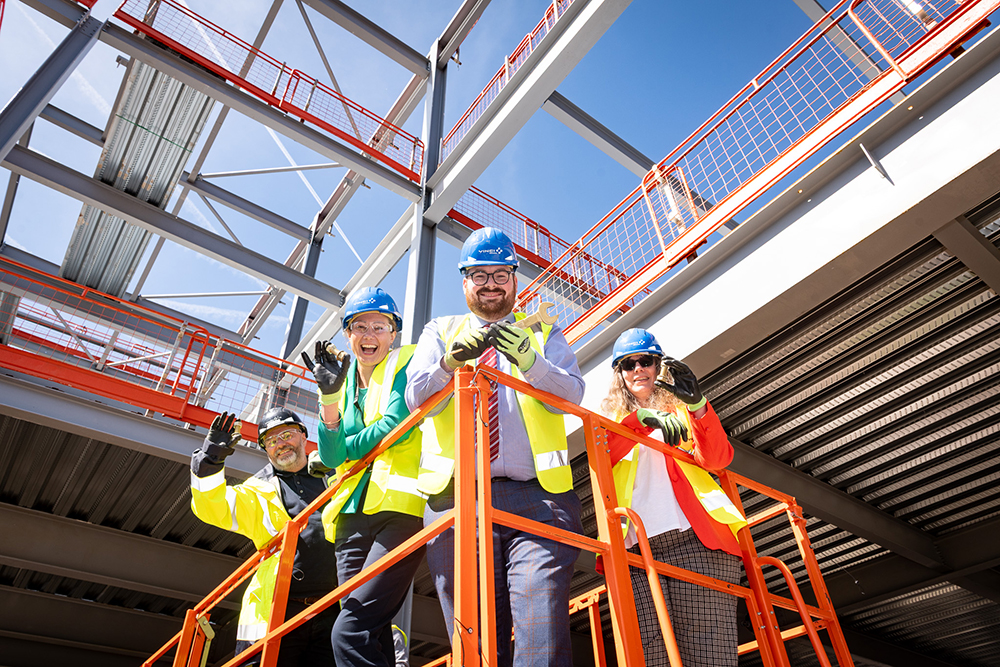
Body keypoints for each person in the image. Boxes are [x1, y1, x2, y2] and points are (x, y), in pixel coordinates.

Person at [405, 227, 585, 667]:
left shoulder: (541, 331)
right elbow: (415, 400)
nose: (490, 284)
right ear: (464, 281)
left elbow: (573, 394)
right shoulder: (440, 330)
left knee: (541, 630)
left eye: (500, 274)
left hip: (539, 498)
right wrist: (449, 364)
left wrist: (530, 362)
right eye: (479, 274)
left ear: (514, 279)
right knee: (476, 640)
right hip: (456, 499)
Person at [600, 328, 747, 667]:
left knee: (707, 656)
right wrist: (638, 421)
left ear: (658, 366)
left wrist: (697, 406)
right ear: (619, 375)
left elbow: (717, 459)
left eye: (646, 361)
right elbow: (601, 457)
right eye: (628, 364)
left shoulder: (684, 414)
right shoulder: (609, 423)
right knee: (649, 658)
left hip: (695, 543)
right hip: (635, 552)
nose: (638, 369)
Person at [301, 287, 426, 667]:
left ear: (393, 333)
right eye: (360, 326)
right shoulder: (341, 377)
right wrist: (328, 397)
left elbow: (396, 426)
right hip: (350, 516)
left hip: (401, 509)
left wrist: (344, 444)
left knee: (349, 628)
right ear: (347, 334)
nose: (369, 335)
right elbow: (330, 453)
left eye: (379, 326)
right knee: (370, 627)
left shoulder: (409, 360)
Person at [190, 408, 338, 666]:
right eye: (271, 441)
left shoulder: (334, 472)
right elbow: (211, 507)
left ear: (304, 436)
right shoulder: (256, 491)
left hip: (334, 608)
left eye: (286, 435)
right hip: (279, 609)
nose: (280, 445)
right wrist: (211, 457)